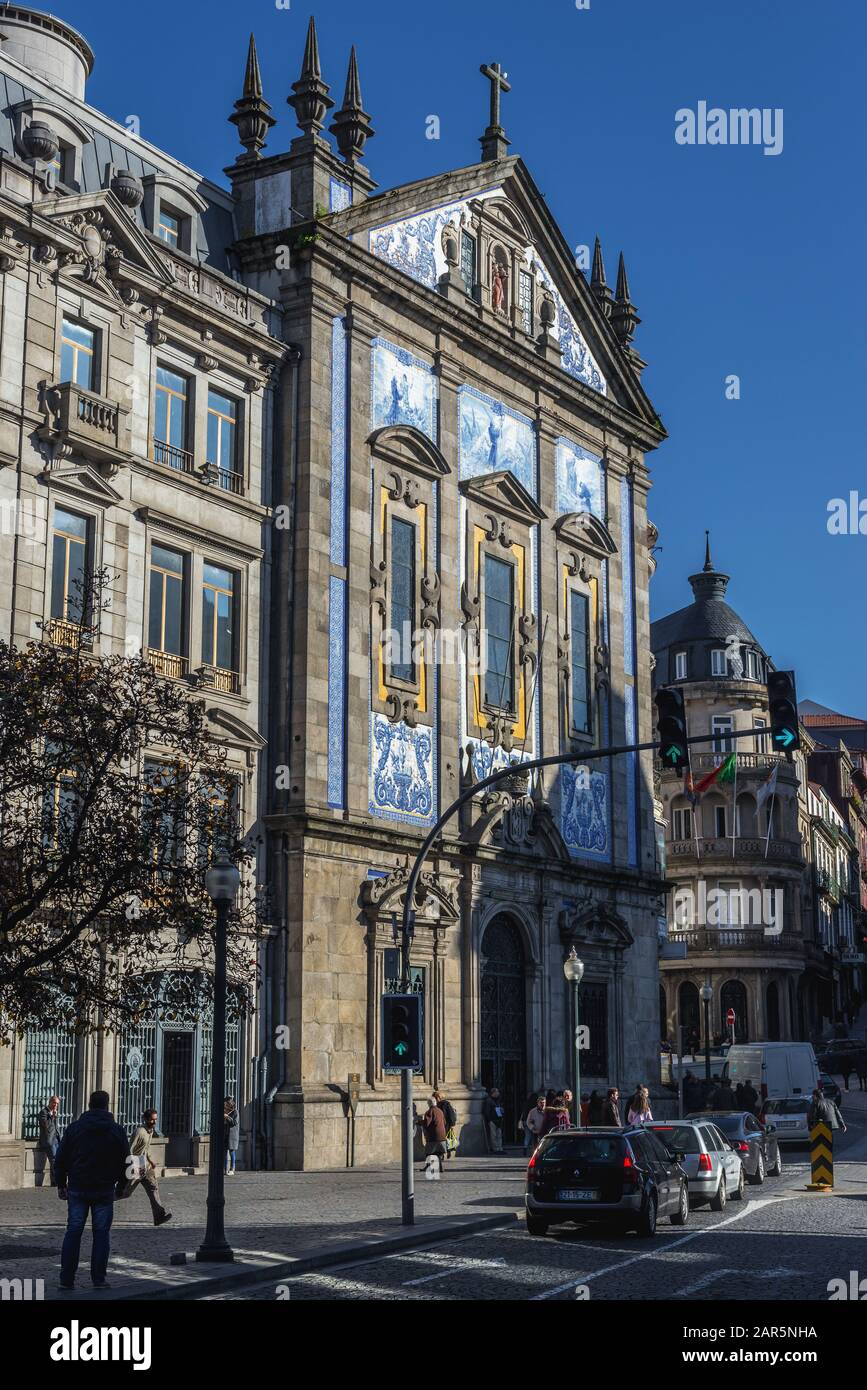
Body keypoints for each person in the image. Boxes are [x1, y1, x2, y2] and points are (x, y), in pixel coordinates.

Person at [54, 1090, 130, 1292]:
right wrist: (121, 1187)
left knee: (73, 1231)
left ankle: (66, 1279)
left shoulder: (74, 1128)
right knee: (101, 1234)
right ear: (107, 1105)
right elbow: (126, 1161)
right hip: (104, 1189)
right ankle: (98, 1279)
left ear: (89, 1105)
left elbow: (60, 1160)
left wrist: (61, 1184)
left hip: (78, 1187)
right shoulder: (116, 1130)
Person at [123, 1109, 172, 1226]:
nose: (154, 1122)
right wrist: (131, 1165)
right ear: (145, 1119)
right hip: (136, 1163)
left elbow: (146, 1149)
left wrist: (150, 1161)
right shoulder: (139, 1132)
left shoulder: (151, 1131)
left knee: (153, 1187)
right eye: (152, 1119)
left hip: (145, 1164)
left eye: (155, 1119)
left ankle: (159, 1216)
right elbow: (130, 1149)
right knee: (126, 1193)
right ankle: (103, 1200)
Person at [37, 1095, 62, 1187]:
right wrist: (52, 1116)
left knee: (57, 1160)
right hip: (49, 1141)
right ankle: (56, 1181)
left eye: (57, 1103)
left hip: (56, 1140)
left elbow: (55, 1127)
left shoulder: (54, 1112)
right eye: (54, 1103)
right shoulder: (43, 1112)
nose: (56, 1105)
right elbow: (46, 1126)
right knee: (54, 1160)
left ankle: (54, 1181)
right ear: (50, 1102)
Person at [422, 1096, 448, 1174]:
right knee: (438, 1153)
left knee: (428, 1152)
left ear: (429, 1104)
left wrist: (419, 1122)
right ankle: (440, 1168)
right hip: (442, 1136)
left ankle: (428, 1167)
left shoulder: (430, 1111)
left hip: (434, 1136)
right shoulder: (440, 1111)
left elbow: (427, 1123)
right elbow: (445, 1122)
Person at [433, 1089, 458, 1159]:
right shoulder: (436, 1105)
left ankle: (448, 1151)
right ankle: (442, 1154)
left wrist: (452, 1124)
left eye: (436, 1098)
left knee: (446, 1139)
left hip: (446, 1125)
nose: (435, 1099)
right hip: (440, 1125)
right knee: (441, 1140)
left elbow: (451, 1115)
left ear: (439, 1097)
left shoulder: (446, 1104)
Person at [482, 1087, 504, 1152]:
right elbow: (487, 1111)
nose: (498, 1093)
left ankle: (500, 1147)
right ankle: (495, 1148)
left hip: (498, 1119)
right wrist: (489, 1119)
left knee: (499, 1135)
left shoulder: (498, 1100)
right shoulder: (489, 1100)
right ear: (493, 1093)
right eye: (497, 1092)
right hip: (492, 1120)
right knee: (493, 1135)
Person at [224, 1096, 239, 1174]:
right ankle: (225, 1169)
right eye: (225, 1104)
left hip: (232, 1135)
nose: (225, 1105)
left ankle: (232, 1169)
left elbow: (234, 1123)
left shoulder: (235, 1112)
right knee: (224, 1152)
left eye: (227, 1104)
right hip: (225, 1134)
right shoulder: (225, 1111)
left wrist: (227, 1117)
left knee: (231, 1151)